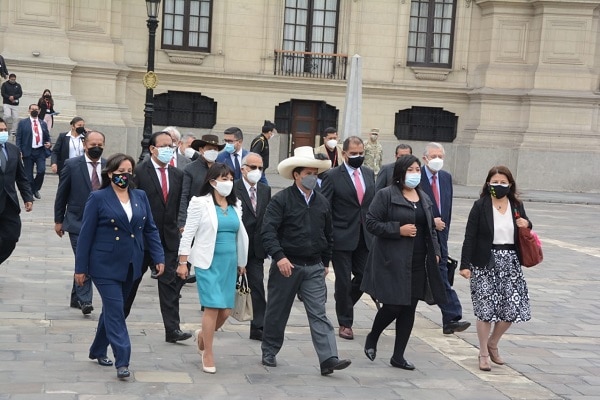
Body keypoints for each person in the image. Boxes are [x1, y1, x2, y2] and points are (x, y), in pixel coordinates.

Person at [261, 146, 352, 376]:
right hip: (287, 265)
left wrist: (326, 262)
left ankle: (329, 358)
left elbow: (328, 234)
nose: (312, 177)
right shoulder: (281, 200)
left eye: (315, 173)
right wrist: (279, 257)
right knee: (277, 310)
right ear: (296, 175)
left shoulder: (322, 202)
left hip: (313, 266)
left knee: (318, 312)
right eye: (308, 173)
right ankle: (269, 349)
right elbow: (268, 231)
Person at [75, 153, 165, 379]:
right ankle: (122, 360)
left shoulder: (140, 196)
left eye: (129, 172)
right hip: (104, 265)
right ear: (110, 173)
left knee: (114, 310)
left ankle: (97, 349)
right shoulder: (98, 198)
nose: (125, 176)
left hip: (131, 263)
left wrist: (158, 257)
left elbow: (150, 229)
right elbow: (85, 235)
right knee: (116, 310)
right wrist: (80, 268)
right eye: (120, 172)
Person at [361, 154, 446, 370]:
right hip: (393, 260)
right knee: (393, 305)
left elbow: (430, 229)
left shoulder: (423, 197)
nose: (415, 174)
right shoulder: (386, 195)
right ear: (400, 173)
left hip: (418, 261)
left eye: (417, 170)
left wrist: (436, 251)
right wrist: (397, 230)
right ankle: (373, 335)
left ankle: (398, 356)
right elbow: (371, 222)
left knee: (409, 308)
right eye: (410, 170)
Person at [459, 165, 532, 372]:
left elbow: (526, 227)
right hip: (485, 262)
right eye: (495, 182)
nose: (499, 185)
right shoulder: (480, 205)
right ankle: (483, 353)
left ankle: (493, 342)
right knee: (485, 310)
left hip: (510, 261)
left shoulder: (516, 205)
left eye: (503, 182)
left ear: (510, 184)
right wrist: (465, 265)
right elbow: (470, 236)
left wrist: (527, 224)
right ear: (488, 183)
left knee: (512, 308)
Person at [177, 163, 249, 374]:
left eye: (231, 179)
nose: (228, 183)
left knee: (225, 311)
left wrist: (242, 263)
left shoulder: (236, 204)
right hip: (207, 262)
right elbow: (188, 233)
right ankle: (208, 352)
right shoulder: (200, 203)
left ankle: (203, 335)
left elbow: (239, 235)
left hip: (230, 263)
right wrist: (183, 262)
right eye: (224, 179)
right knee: (212, 307)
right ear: (212, 181)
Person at [127, 131, 191, 343]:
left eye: (170, 145)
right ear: (152, 149)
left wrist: (180, 226)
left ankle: (173, 329)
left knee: (170, 285)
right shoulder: (139, 171)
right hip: (143, 239)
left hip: (168, 238)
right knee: (131, 282)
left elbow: (178, 204)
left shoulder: (177, 174)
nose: (168, 149)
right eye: (163, 146)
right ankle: (116, 320)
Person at [320, 136, 375, 340]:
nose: (358, 156)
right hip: (341, 237)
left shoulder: (368, 173)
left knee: (365, 276)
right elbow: (324, 208)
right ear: (344, 154)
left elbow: (370, 204)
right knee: (343, 281)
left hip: (364, 236)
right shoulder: (332, 176)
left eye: (361, 153)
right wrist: (326, 236)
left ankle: (344, 301)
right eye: (353, 153)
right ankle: (345, 323)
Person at [420, 142, 470, 335]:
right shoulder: (416, 177)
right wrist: (431, 221)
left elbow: (446, 209)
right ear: (425, 158)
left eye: (440, 156)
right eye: (433, 156)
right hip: (420, 237)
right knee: (415, 280)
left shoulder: (446, 178)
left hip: (440, 239)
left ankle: (451, 317)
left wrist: (443, 237)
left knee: (441, 275)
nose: (437, 160)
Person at [54, 130, 106, 315]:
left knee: (84, 259)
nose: (96, 148)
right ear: (85, 145)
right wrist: (58, 220)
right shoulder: (72, 165)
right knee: (85, 257)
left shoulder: (108, 166)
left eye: (100, 145)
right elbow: (62, 194)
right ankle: (85, 300)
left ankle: (76, 296)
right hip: (77, 221)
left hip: (101, 223)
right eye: (93, 145)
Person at [234, 152, 271, 341]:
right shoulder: (233, 188)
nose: (257, 171)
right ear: (243, 169)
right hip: (234, 246)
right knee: (227, 286)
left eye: (260, 168)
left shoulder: (265, 190)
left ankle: (258, 327)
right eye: (253, 167)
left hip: (256, 248)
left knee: (257, 286)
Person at [0, 118, 33, 265]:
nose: (3, 133)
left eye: (4, 130)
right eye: (0, 130)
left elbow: (21, 176)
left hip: (9, 202)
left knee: (11, 237)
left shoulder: (13, 149)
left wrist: (28, 197)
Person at [178, 134, 224, 230]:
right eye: (209, 149)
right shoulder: (190, 169)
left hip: (218, 217)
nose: (213, 151)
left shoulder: (222, 170)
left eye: (215, 149)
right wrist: (182, 222)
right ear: (201, 149)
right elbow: (184, 196)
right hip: (196, 217)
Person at [15, 104, 51, 200]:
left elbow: (47, 137)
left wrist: (49, 143)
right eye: (32, 109)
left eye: (36, 109)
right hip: (28, 151)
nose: (34, 111)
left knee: (41, 171)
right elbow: (18, 137)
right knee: (28, 175)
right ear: (29, 110)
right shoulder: (23, 123)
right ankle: (30, 192)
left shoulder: (43, 123)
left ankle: (35, 188)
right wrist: (19, 150)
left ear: (39, 111)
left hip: (40, 151)